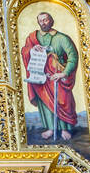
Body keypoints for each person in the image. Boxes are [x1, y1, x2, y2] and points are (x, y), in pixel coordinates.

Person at [20, 11, 78, 141]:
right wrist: (33, 50)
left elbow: (72, 55)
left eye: (45, 20)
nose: (43, 23)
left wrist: (64, 72)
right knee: (45, 102)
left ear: (51, 21)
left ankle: (64, 128)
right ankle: (50, 128)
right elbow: (25, 50)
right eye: (40, 20)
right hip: (42, 75)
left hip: (58, 76)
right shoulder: (33, 37)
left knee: (63, 101)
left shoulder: (62, 38)